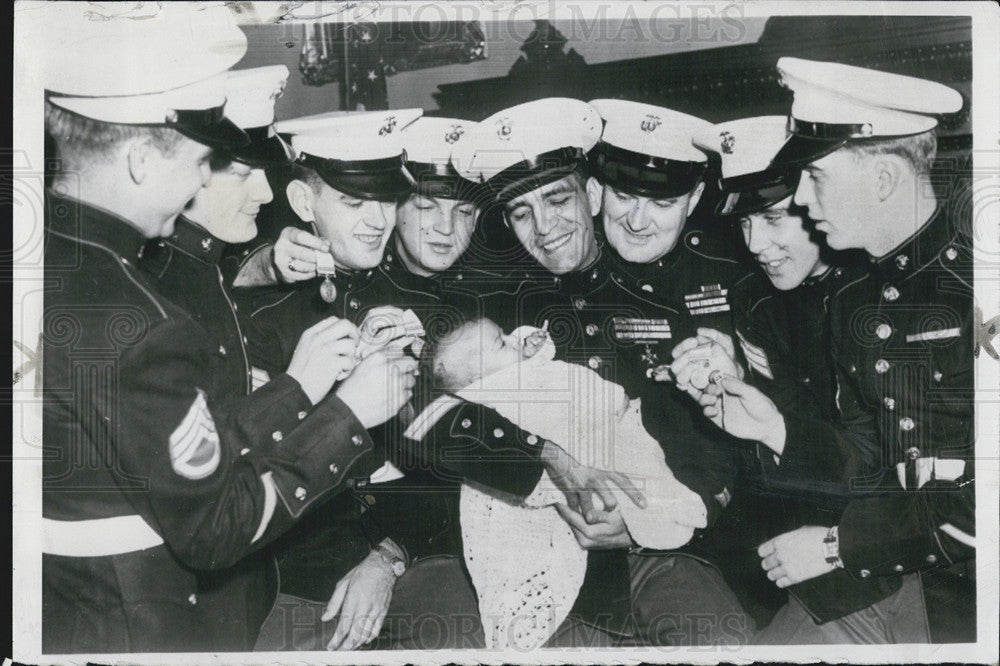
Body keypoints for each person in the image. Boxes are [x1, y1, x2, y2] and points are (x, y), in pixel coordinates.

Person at [41, 6, 414, 654]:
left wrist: (298, 390)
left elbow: (179, 456)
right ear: (137, 161)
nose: (262, 195)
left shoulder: (51, 263)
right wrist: (349, 412)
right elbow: (214, 524)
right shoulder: (143, 321)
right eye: (204, 162)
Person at [406, 98, 752, 647]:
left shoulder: (671, 288)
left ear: (591, 194)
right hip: (538, 553)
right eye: (521, 213)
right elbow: (423, 420)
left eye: (557, 199)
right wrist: (544, 453)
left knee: (720, 640)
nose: (544, 228)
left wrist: (645, 523)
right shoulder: (491, 300)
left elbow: (719, 442)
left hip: (659, 551)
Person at [676, 58, 974, 644]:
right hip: (903, 567)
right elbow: (879, 464)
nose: (805, 202)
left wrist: (841, 546)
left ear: (883, 180)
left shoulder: (977, 291)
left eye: (815, 178)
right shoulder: (860, 298)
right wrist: (776, 430)